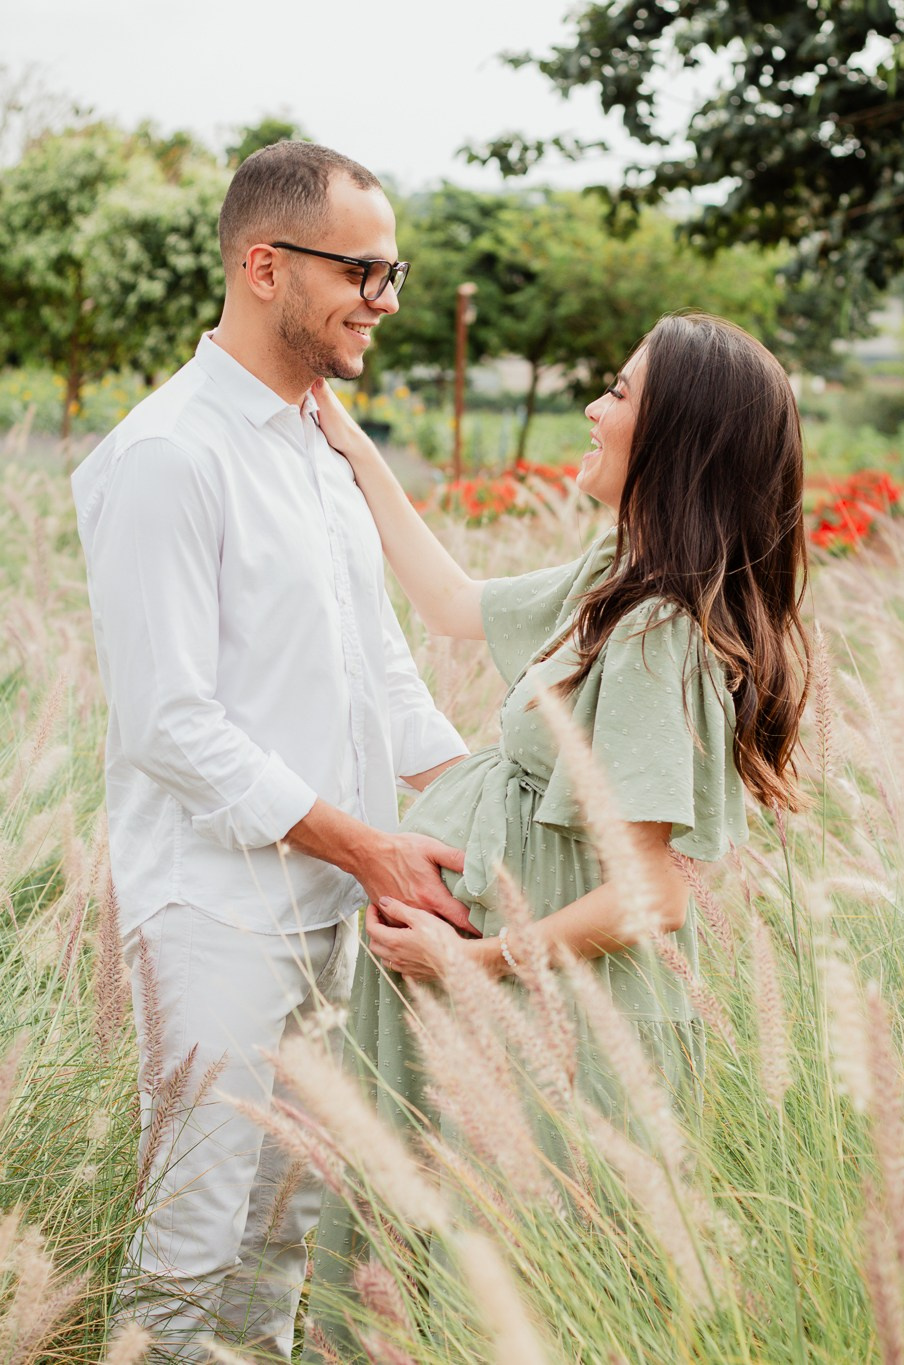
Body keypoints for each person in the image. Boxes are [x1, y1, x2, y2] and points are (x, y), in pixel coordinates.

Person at [304, 311, 810, 1355]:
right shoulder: (611, 578)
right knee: (438, 1282)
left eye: (619, 394)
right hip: (496, 998)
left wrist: (472, 957)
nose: (591, 406)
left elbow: (651, 892)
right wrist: (353, 447)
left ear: (676, 438)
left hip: (551, 1020)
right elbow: (447, 602)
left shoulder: (660, 632)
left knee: (509, 1302)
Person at [71, 142, 471, 1361]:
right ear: (263, 264)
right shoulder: (167, 454)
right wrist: (366, 847)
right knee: (191, 1247)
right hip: (213, 917)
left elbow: (377, 667)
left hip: (335, 913)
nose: (384, 301)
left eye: (393, 274)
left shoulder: (321, 445)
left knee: (285, 1237)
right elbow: (168, 719)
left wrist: (488, 801)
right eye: (364, 271)